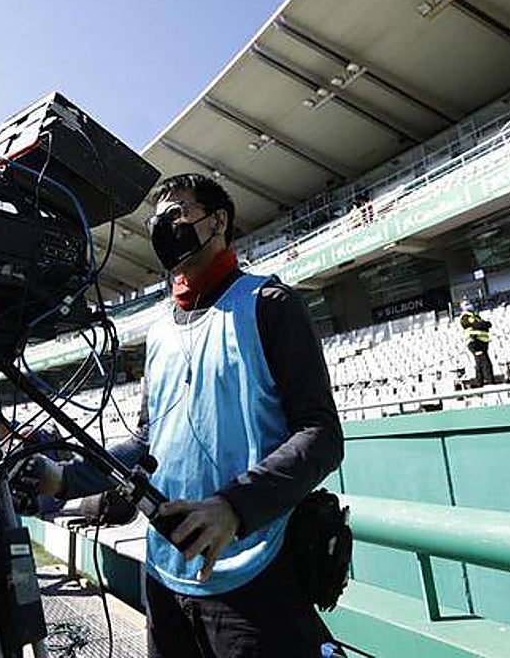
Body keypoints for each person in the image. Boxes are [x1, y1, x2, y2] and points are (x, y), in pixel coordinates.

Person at [19, 173, 344, 657]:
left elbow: (321, 435)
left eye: (177, 214)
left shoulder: (270, 304)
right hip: (164, 576)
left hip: (256, 570)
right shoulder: (159, 331)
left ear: (218, 222)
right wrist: (63, 478)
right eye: (157, 220)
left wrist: (234, 507)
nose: (162, 228)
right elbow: (147, 443)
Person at [459, 299, 495, 388]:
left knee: (479, 362)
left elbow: (488, 324)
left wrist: (482, 324)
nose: (470, 305)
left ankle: (479, 383)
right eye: (467, 304)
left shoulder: (475, 316)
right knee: (485, 362)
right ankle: (490, 382)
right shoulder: (465, 316)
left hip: (482, 342)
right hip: (475, 341)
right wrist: (482, 324)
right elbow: (478, 325)